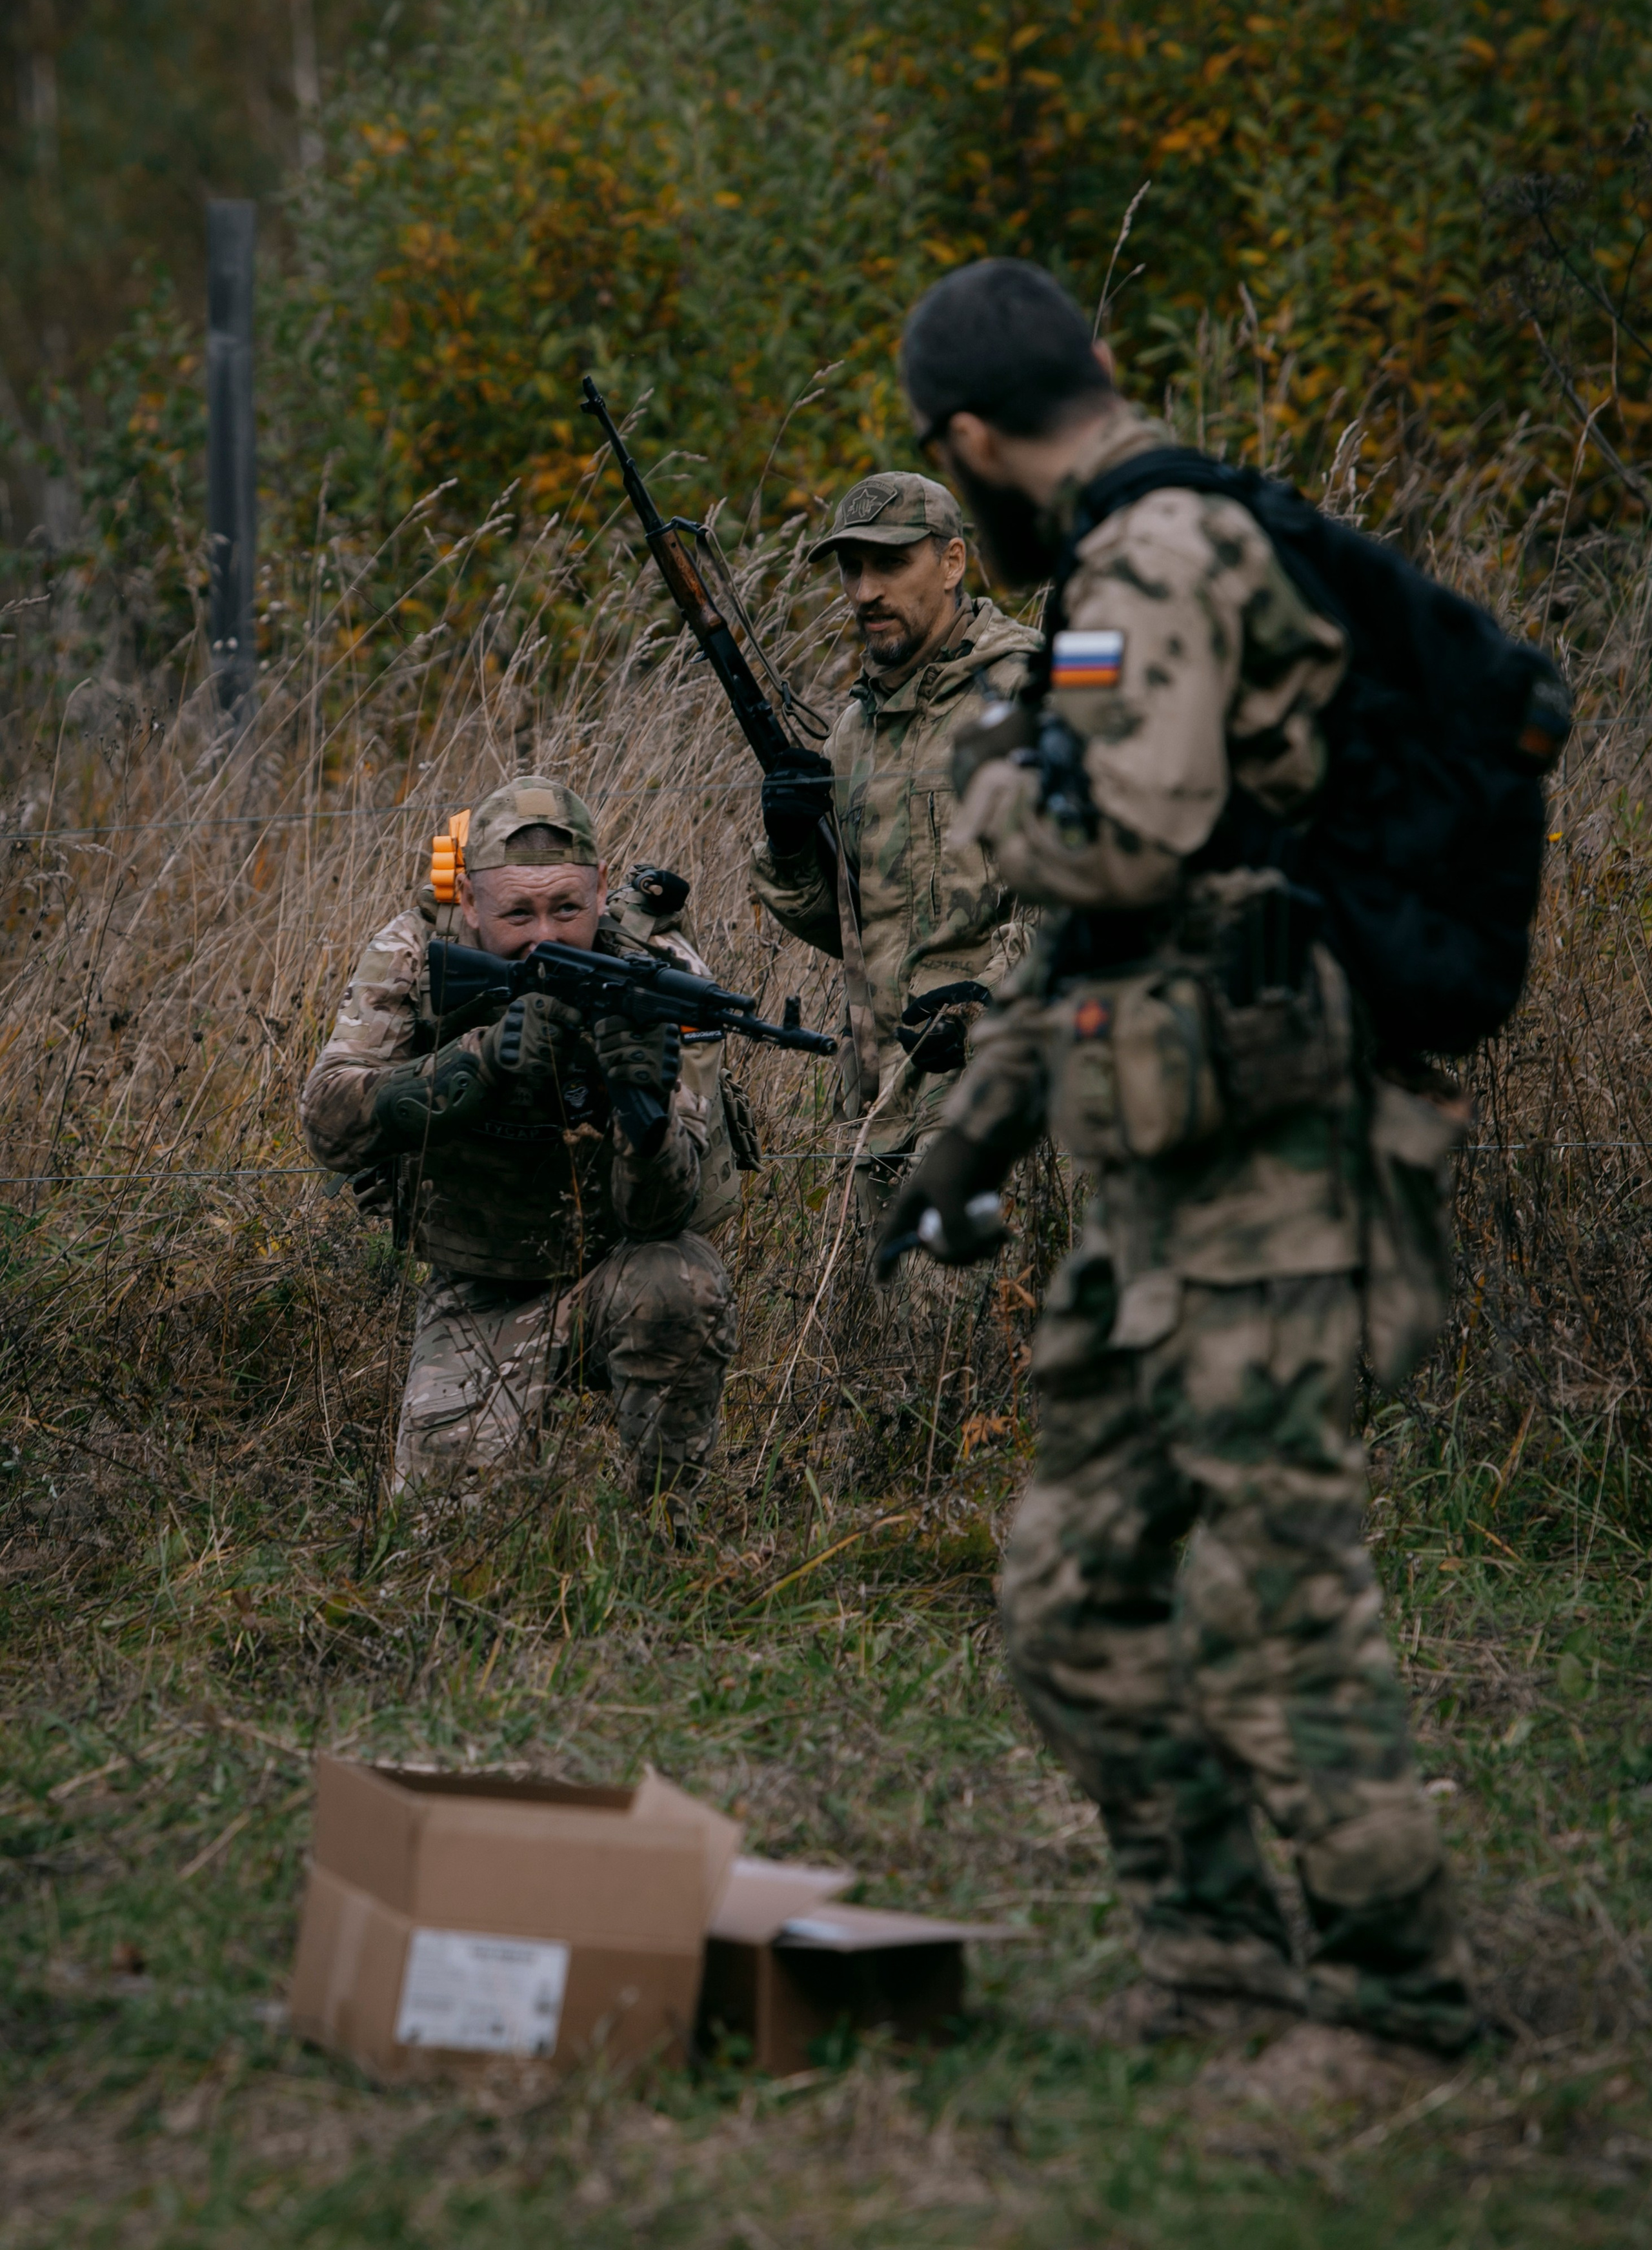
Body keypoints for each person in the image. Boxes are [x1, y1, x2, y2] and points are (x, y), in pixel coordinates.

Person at [878, 258, 1476, 2052]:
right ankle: (1218, 1973)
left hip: (1272, 1168)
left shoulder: (1152, 559)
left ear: (969, 443)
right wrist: (971, 1123)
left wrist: (990, 764)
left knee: (1279, 1607)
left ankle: (1399, 2014)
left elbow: (1119, 851)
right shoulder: (1123, 563)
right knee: (1069, 1596)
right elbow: (1106, 944)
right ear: (1106, 363)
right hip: (1160, 1169)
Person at [301, 775, 746, 1541]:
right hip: (480, 1284)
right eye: (518, 912)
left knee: (685, 1282)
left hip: (616, 1269)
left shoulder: (661, 977)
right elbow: (328, 1123)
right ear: (470, 903)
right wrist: (476, 1064)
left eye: (567, 908)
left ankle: (667, 1532)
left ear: (603, 890)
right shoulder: (416, 951)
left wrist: (641, 1112)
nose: (544, 935)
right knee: (444, 1547)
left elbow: (666, 1214)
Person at [750, 472, 1039, 1226]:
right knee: (888, 1341)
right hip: (878, 1103)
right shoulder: (854, 731)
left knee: (978, 1327)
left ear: (951, 563)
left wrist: (985, 1003)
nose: (864, 591)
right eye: (851, 569)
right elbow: (856, 927)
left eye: (890, 564)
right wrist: (790, 849)